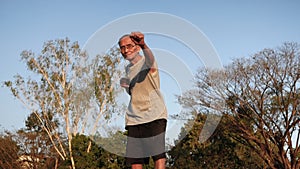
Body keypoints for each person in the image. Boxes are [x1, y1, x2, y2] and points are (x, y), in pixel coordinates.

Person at [118, 32, 168, 169]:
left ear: (138, 47)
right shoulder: (128, 70)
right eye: (122, 47)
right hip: (134, 119)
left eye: (129, 46)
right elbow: (136, 93)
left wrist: (143, 44)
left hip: (154, 116)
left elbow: (150, 59)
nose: (126, 50)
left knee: (158, 157)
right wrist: (127, 86)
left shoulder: (147, 61)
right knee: (135, 161)